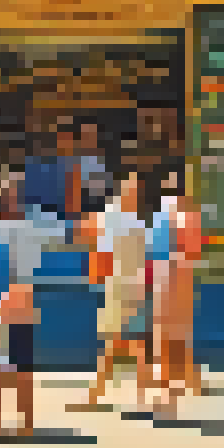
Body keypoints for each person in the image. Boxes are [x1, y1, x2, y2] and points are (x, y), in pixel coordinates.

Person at [0, 174, 56, 438]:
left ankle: (5, 422)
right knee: (12, 367)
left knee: (8, 367)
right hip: (13, 303)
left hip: (10, 304)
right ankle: (16, 423)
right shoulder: (19, 229)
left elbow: (7, 271)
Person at [81, 171, 152, 411]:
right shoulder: (134, 222)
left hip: (122, 287)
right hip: (128, 287)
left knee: (124, 343)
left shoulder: (119, 219)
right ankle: (105, 394)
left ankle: (101, 395)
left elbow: (102, 254)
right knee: (124, 343)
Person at [149, 171, 206, 410]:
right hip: (179, 277)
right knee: (179, 333)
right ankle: (190, 382)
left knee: (166, 334)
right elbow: (193, 251)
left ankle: (169, 389)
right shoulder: (187, 215)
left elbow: (157, 250)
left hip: (170, 277)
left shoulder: (167, 215)